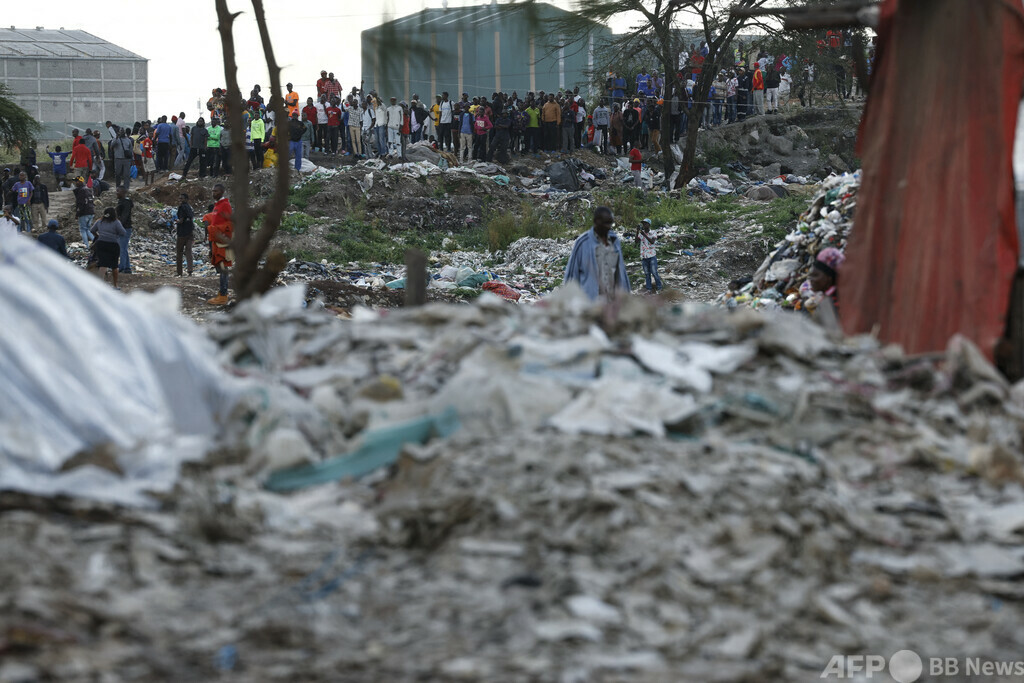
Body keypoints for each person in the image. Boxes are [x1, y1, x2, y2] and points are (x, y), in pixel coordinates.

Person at [563, 206, 630, 299]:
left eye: (610, 223)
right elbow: (571, 276)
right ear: (596, 221)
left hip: (612, 303)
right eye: (606, 223)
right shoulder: (583, 243)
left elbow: (621, 272)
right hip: (590, 303)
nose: (609, 227)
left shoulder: (614, 241)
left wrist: (627, 296)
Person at [204, 183, 233, 305]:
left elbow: (229, 225)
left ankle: (223, 295)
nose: (213, 193)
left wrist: (213, 229)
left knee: (223, 268)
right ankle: (222, 293)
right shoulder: (217, 206)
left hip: (222, 242)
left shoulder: (225, 205)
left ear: (221, 192)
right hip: (216, 241)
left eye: (215, 191)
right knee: (219, 267)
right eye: (212, 191)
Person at [90, 207, 127, 288]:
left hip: (101, 244)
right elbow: (123, 233)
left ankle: (99, 286)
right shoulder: (116, 222)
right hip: (113, 245)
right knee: (114, 265)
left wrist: (98, 236)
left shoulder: (99, 221)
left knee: (103, 264)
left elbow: (92, 230)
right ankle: (115, 285)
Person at [636, 218, 663, 292]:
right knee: (647, 274)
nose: (644, 225)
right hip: (644, 256)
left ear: (649, 224)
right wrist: (637, 231)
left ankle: (659, 287)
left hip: (652, 256)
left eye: (645, 223)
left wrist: (644, 235)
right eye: (643, 224)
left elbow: (652, 242)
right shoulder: (641, 233)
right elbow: (636, 241)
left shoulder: (653, 232)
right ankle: (649, 289)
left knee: (654, 272)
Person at [175, 192, 195, 276]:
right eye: (179, 198)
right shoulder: (189, 207)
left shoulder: (181, 207)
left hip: (182, 233)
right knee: (188, 252)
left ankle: (179, 273)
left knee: (179, 252)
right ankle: (190, 271)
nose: (180, 200)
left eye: (181, 198)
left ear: (186, 199)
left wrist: (177, 222)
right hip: (190, 232)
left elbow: (181, 220)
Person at [73, 176, 95, 248]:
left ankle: (86, 246)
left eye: (76, 181)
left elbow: (81, 203)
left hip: (84, 212)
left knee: (83, 230)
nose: (75, 183)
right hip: (91, 211)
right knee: (87, 230)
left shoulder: (81, 191)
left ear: (80, 182)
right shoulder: (88, 189)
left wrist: (77, 213)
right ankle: (96, 242)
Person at [115, 186, 134, 274]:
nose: (116, 193)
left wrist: (119, 226)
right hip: (124, 227)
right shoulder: (122, 201)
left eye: (118, 191)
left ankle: (122, 267)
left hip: (125, 228)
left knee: (122, 248)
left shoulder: (126, 202)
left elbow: (124, 217)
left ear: (123, 192)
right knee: (123, 248)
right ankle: (127, 267)